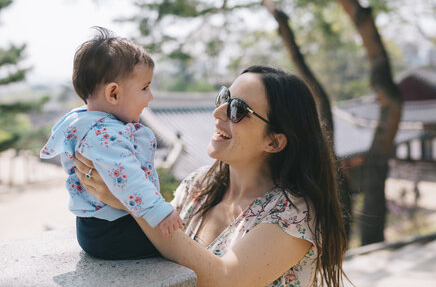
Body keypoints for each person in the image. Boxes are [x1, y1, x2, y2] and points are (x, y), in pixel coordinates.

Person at [73, 66, 347, 286]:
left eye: (238, 110)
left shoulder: (296, 213)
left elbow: (224, 280)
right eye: (223, 98)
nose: (217, 113)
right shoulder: (197, 184)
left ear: (274, 142)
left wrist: (132, 201)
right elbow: (162, 246)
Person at [40, 27, 182, 260]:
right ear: (113, 94)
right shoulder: (104, 136)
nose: (151, 97)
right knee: (178, 247)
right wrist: (160, 211)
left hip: (102, 227)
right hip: (112, 231)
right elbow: (128, 178)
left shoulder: (90, 124)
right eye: (145, 88)